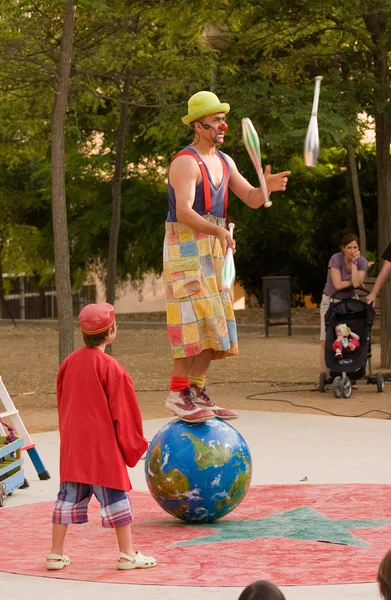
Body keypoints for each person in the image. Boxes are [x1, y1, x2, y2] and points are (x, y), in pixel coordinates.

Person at [163, 90, 291, 422]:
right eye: (218, 119)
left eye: (224, 119)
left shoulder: (224, 161)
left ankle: (196, 389)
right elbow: (183, 211)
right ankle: (178, 394)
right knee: (192, 320)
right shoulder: (185, 162)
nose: (224, 125)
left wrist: (267, 188)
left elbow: (249, 196)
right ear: (199, 125)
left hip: (214, 246)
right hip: (187, 246)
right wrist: (217, 231)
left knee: (214, 320)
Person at [46, 303, 156, 572]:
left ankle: (55, 554)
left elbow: (63, 403)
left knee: (67, 496)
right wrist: (132, 445)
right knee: (116, 496)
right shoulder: (112, 368)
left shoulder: (68, 363)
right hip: (102, 446)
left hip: (75, 446)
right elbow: (124, 413)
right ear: (110, 333)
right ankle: (127, 554)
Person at [312, 233, 368, 390]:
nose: (352, 250)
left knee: (348, 338)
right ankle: (324, 377)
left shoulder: (361, 261)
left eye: (355, 247)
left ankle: (348, 375)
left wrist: (355, 264)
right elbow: (337, 284)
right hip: (331, 300)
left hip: (350, 303)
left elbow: (356, 284)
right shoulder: (335, 259)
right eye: (349, 247)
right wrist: (353, 281)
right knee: (327, 339)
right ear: (342, 249)